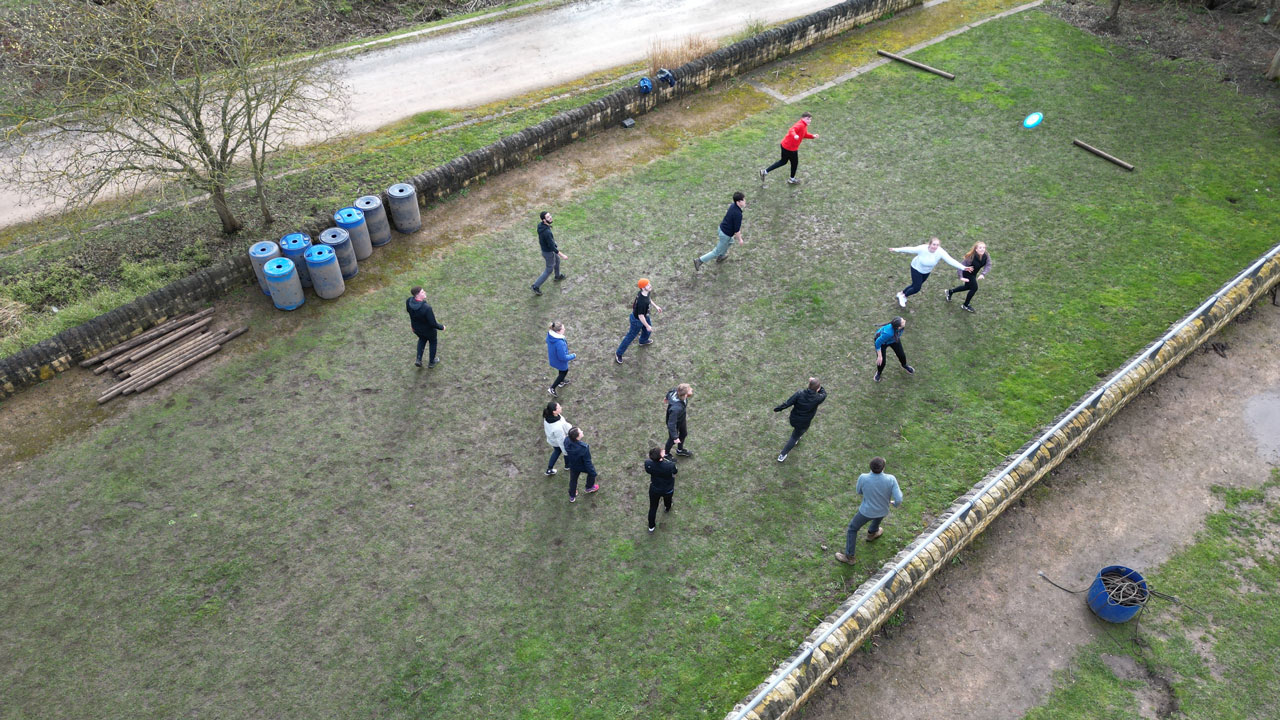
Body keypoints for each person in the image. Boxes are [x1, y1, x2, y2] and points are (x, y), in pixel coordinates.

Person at [835, 456, 903, 565]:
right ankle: (872, 533)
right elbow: (898, 499)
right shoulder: (891, 479)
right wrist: (895, 504)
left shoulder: (863, 478)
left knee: (852, 529)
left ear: (870, 467)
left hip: (866, 512)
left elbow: (859, 491)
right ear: (883, 468)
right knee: (877, 517)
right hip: (883, 510)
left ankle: (849, 557)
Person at [890, 237, 972, 307]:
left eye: (937, 245)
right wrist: (896, 250)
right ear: (929, 244)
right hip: (916, 268)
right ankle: (904, 296)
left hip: (926, 272)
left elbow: (950, 260)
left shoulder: (940, 252)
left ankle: (901, 293)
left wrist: (963, 268)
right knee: (917, 288)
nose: (935, 247)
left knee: (914, 285)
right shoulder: (922, 249)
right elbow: (910, 249)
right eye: (934, 244)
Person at [773, 377, 827, 462]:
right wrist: (819, 387)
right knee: (794, 437)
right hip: (804, 423)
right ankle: (782, 455)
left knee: (797, 432)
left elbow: (787, 403)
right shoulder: (818, 398)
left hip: (793, 419)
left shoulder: (799, 394)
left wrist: (778, 409)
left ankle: (797, 437)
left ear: (808, 385)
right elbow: (824, 393)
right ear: (818, 389)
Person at [760, 111, 818, 185]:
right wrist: (794, 135)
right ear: (803, 118)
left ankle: (764, 172)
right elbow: (792, 130)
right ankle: (791, 179)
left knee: (783, 161)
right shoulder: (800, 125)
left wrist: (812, 136)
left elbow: (804, 134)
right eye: (807, 119)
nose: (809, 120)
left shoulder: (804, 125)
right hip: (790, 149)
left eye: (810, 119)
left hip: (784, 145)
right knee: (794, 163)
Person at [615, 278, 664, 363]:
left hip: (645, 316)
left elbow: (649, 299)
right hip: (637, 321)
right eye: (647, 285)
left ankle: (643, 341)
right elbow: (640, 316)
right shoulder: (642, 302)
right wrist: (647, 326)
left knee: (647, 331)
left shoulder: (645, 292)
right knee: (630, 336)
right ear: (643, 288)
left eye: (649, 284)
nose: (650, 286)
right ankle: (618, 353)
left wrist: (656, 306)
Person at [693, 192, 745, 271]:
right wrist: (740, 240)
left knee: (730, 242)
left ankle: (721, 256)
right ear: (738, 202)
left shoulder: (733, 205)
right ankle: (699, 261)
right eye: (743, 200)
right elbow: (737, 231)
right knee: (716, 252)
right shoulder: (738, 214)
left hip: (721, 229)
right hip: (725, 235)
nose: (745, 201)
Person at [944, 241, 992, 313]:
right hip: (967, 273)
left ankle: (950, 292)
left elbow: (988, 264)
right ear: (976, 249)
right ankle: (965, 305)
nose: (982, 249)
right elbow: (960, 267)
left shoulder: (986, 255)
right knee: (974, 288)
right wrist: (961, 277)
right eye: (980, 248)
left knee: (967, 287)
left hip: (974, 273)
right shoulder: (970, 257)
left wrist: (983, 274)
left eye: (984, 248)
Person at [405, 286, 445, 368]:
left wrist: (413, 325)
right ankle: (431, 362)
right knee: (433, 342)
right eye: (422, 292)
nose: (425, 292)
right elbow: (433, 323)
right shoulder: (426, 308)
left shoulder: (409, 301)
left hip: (416, 329)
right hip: (428, 331)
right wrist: (442, 327)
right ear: (417, 295)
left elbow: (409, 312)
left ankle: (418, 359)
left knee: (422, 339)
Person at [531, 211, 567, 296]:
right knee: (549, 269)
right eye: (548, 217)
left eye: (550, 215)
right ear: (544, 220)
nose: (550, 217)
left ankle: (557, 276)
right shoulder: (547, 232)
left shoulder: (541, 225)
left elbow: (549, 242)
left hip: (547, 249)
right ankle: (535, 286)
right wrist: (563, 255)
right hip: (548, 253)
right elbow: (552, 248)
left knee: (557, 260)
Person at [643, 446, 678, 532]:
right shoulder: (670, 465)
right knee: (668, 500)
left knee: (653, 508)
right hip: (667, 489)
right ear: (660, 457)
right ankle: (667, 507)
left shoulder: (648, 463)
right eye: (662, 451)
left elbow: (648, 470)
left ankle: (651, 526)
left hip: (654, 489)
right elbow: (675, 471)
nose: (664, 450)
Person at [563, 426, 599, 502]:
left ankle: (572, 496)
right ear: (577, 437)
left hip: (573, 465)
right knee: (591, 473)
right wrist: (593, 472)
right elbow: (587, 462)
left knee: (573, 480)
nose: (582, 431)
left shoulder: (566, 440)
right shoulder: (584, 448)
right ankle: (589, 487)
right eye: (580, 432)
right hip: (582, 466)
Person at [873, 316, 912, 383]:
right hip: (883, 343)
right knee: (882, 361)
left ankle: (904, 365)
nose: (905, 320)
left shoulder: (901, 327)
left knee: (901, 355)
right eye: (903, 321)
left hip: (894, 339)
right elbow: (877, 343)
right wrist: (879, 356)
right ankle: (879, 373)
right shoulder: (888, 333)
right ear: (898, 327)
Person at [546, 321, 576, 397]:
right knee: (564, 371)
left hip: (553, 358)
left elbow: (547, 341)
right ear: (558, 331)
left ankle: (561, 382)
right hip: (559, 361)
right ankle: (552, 388)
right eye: (563, 328)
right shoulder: (560, 343)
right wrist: (573, 355)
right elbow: (563, 357)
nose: (564, 329)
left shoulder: (550, 335)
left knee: (561, 371)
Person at [664, 383, 694, 457]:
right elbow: (671, 424)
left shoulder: (676, 391)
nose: (692, 389)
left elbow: (670, 392)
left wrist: (666, 398)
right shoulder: (676, 409)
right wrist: (675, 437)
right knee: (671, 440)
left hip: (681, 419)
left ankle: (679, 450)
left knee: (683, 434)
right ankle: (666, 454)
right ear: (686, 395)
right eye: (690, 390)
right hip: (675, 423)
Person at [542, 402, 572, 476]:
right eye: (559, 407)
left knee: (557, 451)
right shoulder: (557, 427)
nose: (561, 407)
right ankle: (567, 466)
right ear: (554, 411)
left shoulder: (549, 416)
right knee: (564, 452)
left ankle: (549, 469)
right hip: (557, 441)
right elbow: (561, 441)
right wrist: (565, 451)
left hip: (552, 439)